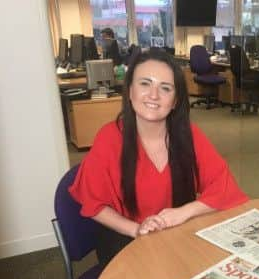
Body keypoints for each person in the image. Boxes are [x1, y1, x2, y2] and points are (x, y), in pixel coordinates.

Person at [69, 50, 248, 267]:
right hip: (126, 239)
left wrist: (182, 213)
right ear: (130, 91)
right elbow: (94, 205)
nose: (154, 95)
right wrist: (137, 230)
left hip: (174, 234)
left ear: (175, 101)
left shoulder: (187, 135)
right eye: (145, 84)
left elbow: (225, 188)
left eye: (165, 88)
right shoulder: (109, 138)